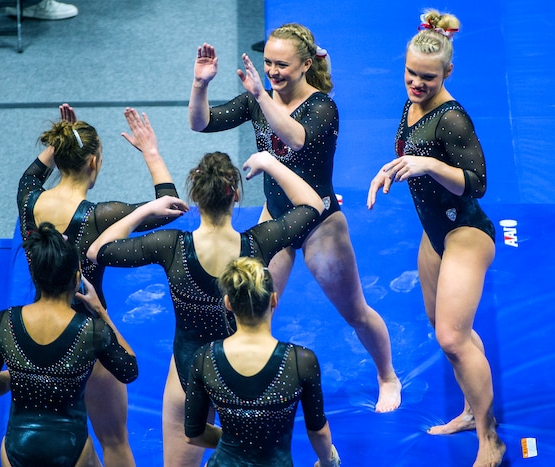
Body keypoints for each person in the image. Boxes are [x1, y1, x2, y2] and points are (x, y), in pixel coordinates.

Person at [188, 22, 401, 413]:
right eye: (267, 62)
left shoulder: (323, 107)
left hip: (321, 225)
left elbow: (296, 139)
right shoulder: (258, 99)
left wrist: (260, 97)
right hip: (276, 219)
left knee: (355, 312)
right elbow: (201, 123)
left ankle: (387, 374)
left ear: (305, 65)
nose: (271, 71)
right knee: (250, 310)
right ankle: (243, 383)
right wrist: (201, 85)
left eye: (281, 65)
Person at [86, 150, 326, 466]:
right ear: (236, 194)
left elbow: (97, 251)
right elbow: (314, 206)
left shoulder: (171, 246)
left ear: (196, 196)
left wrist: (146, 209)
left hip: (189, 371)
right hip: (244, 373)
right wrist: (270, 162)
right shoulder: (258, 242)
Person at [366, 10, 505, 467]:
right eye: (410, 73)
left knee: (451, 336)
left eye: (427, 77)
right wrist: (391, 170)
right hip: (435, 234)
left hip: (466, 231)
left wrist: (428, 166)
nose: (416, 83)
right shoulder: (410, 105)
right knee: (452, 333)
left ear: (448, 72)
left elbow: (476, 181)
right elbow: (410, 154)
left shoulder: (453, 119)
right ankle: (471, 411)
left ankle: (490, 439)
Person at [16, 104, 186, 466]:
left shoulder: (28, 198)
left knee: (43, 429)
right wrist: (150, 151)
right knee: (113, 440)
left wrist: (63, 137)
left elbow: (31, 175)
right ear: (94, 163)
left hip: (34, 333)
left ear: (59, 154)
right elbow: (168, 203)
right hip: (87, 336)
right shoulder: (99, 216)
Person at [0, 222, 138, 467]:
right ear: (77, 278)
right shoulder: (91, 330)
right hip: (71, 450)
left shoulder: (3, 323)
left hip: (18, 447)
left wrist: (18, 376)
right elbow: (129, 370)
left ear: (34, 277)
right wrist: (101, 312)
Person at [184, 256, 341, 467]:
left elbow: (194, 433)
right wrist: (327, 461)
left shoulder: (205, 358)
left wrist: (239, 441)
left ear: (228, 303)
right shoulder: (300, 361)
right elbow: (318, 431)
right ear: (274, 300)